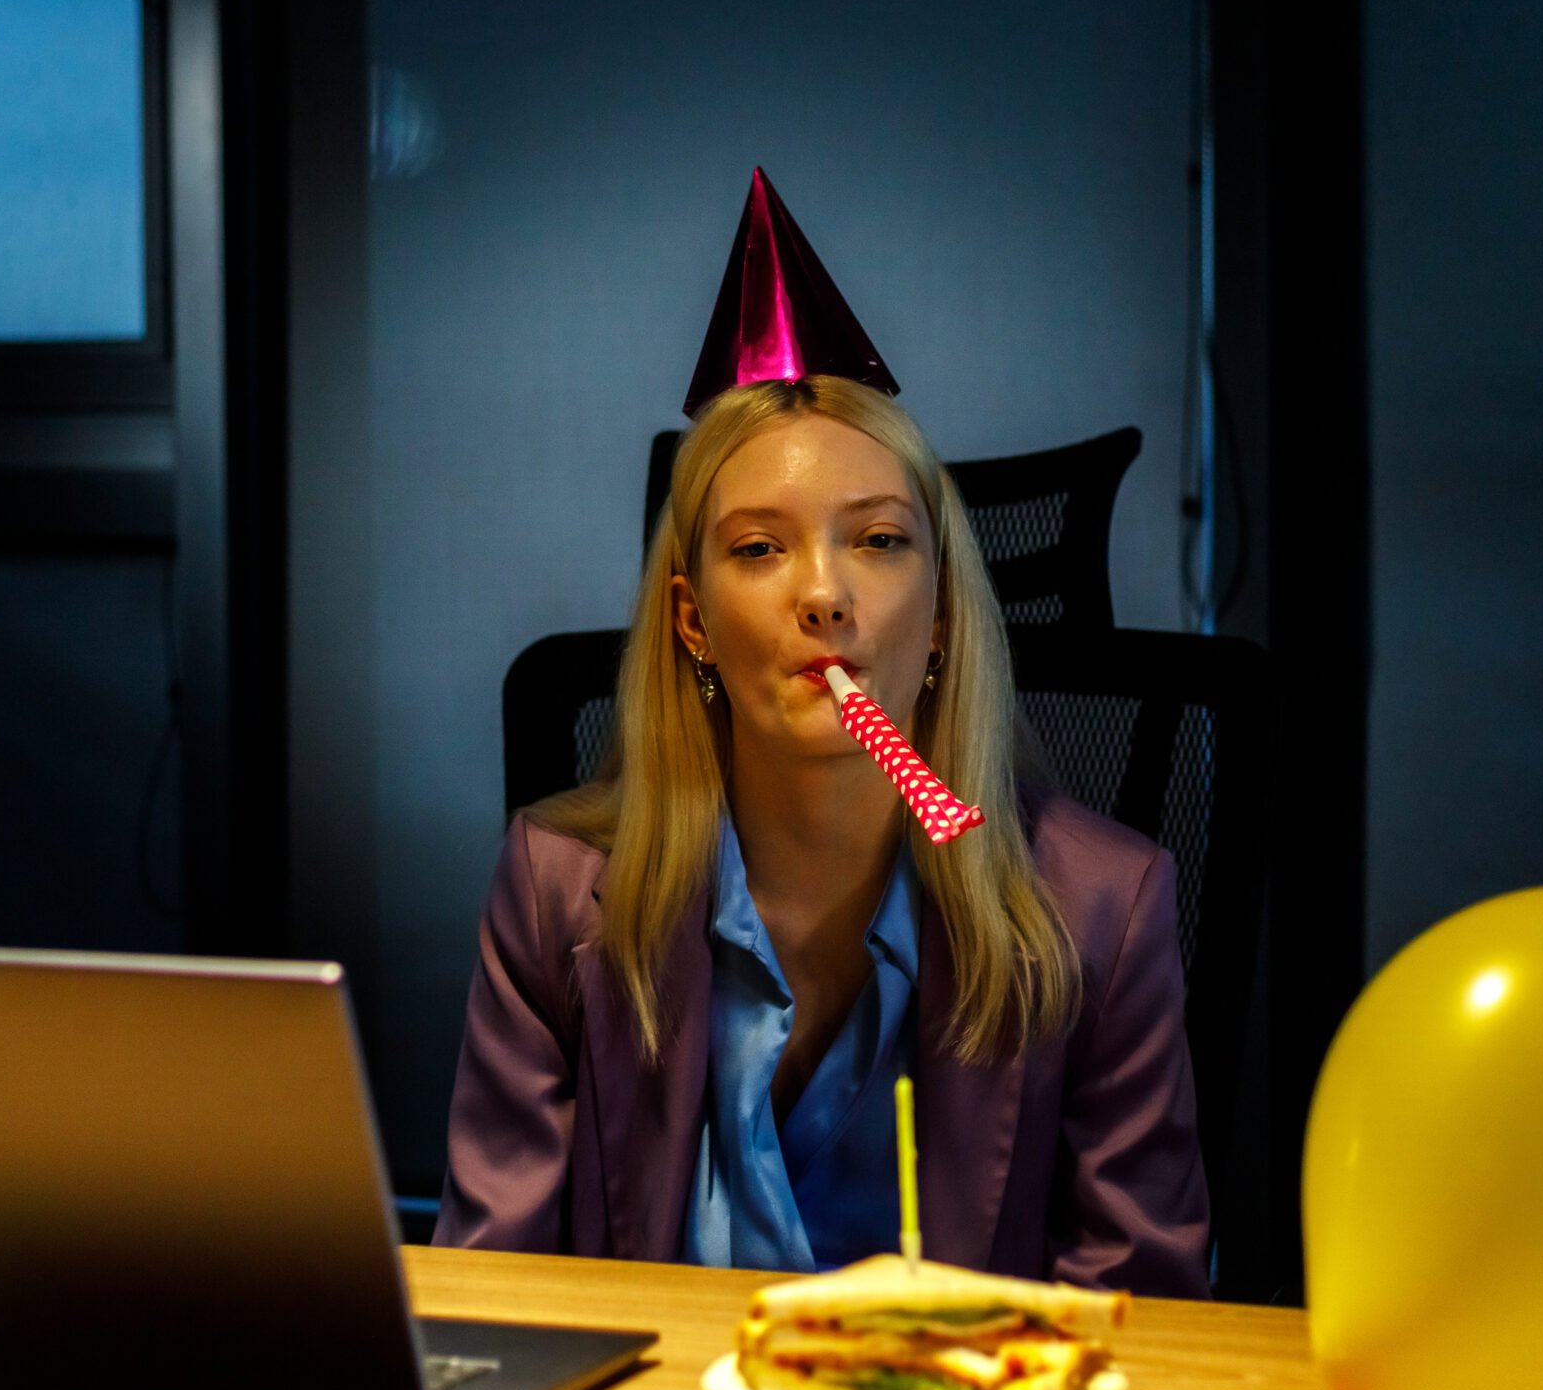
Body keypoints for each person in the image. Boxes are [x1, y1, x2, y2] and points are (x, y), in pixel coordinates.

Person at [434, 172, 1209, 1294]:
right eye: (759, 549)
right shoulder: (557, 894)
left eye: (880, 542)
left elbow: (1145, 1322)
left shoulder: (1101, 913)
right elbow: (490, 1294)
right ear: (693, 623)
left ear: (939, 616)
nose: (825, 597)